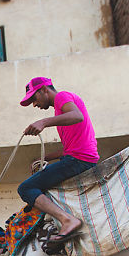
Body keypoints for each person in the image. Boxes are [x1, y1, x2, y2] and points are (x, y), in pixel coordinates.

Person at [18, 76, 100, 247]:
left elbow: (77, 116)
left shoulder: (62, 96)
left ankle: (67, 220)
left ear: (44, 90)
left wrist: (43, 122)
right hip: (77, 157)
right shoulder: (60, 112)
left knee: (26, 188)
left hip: (79, 160)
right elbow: (70, 148)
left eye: (34, 98)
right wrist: (45, 158)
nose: (35, 104)